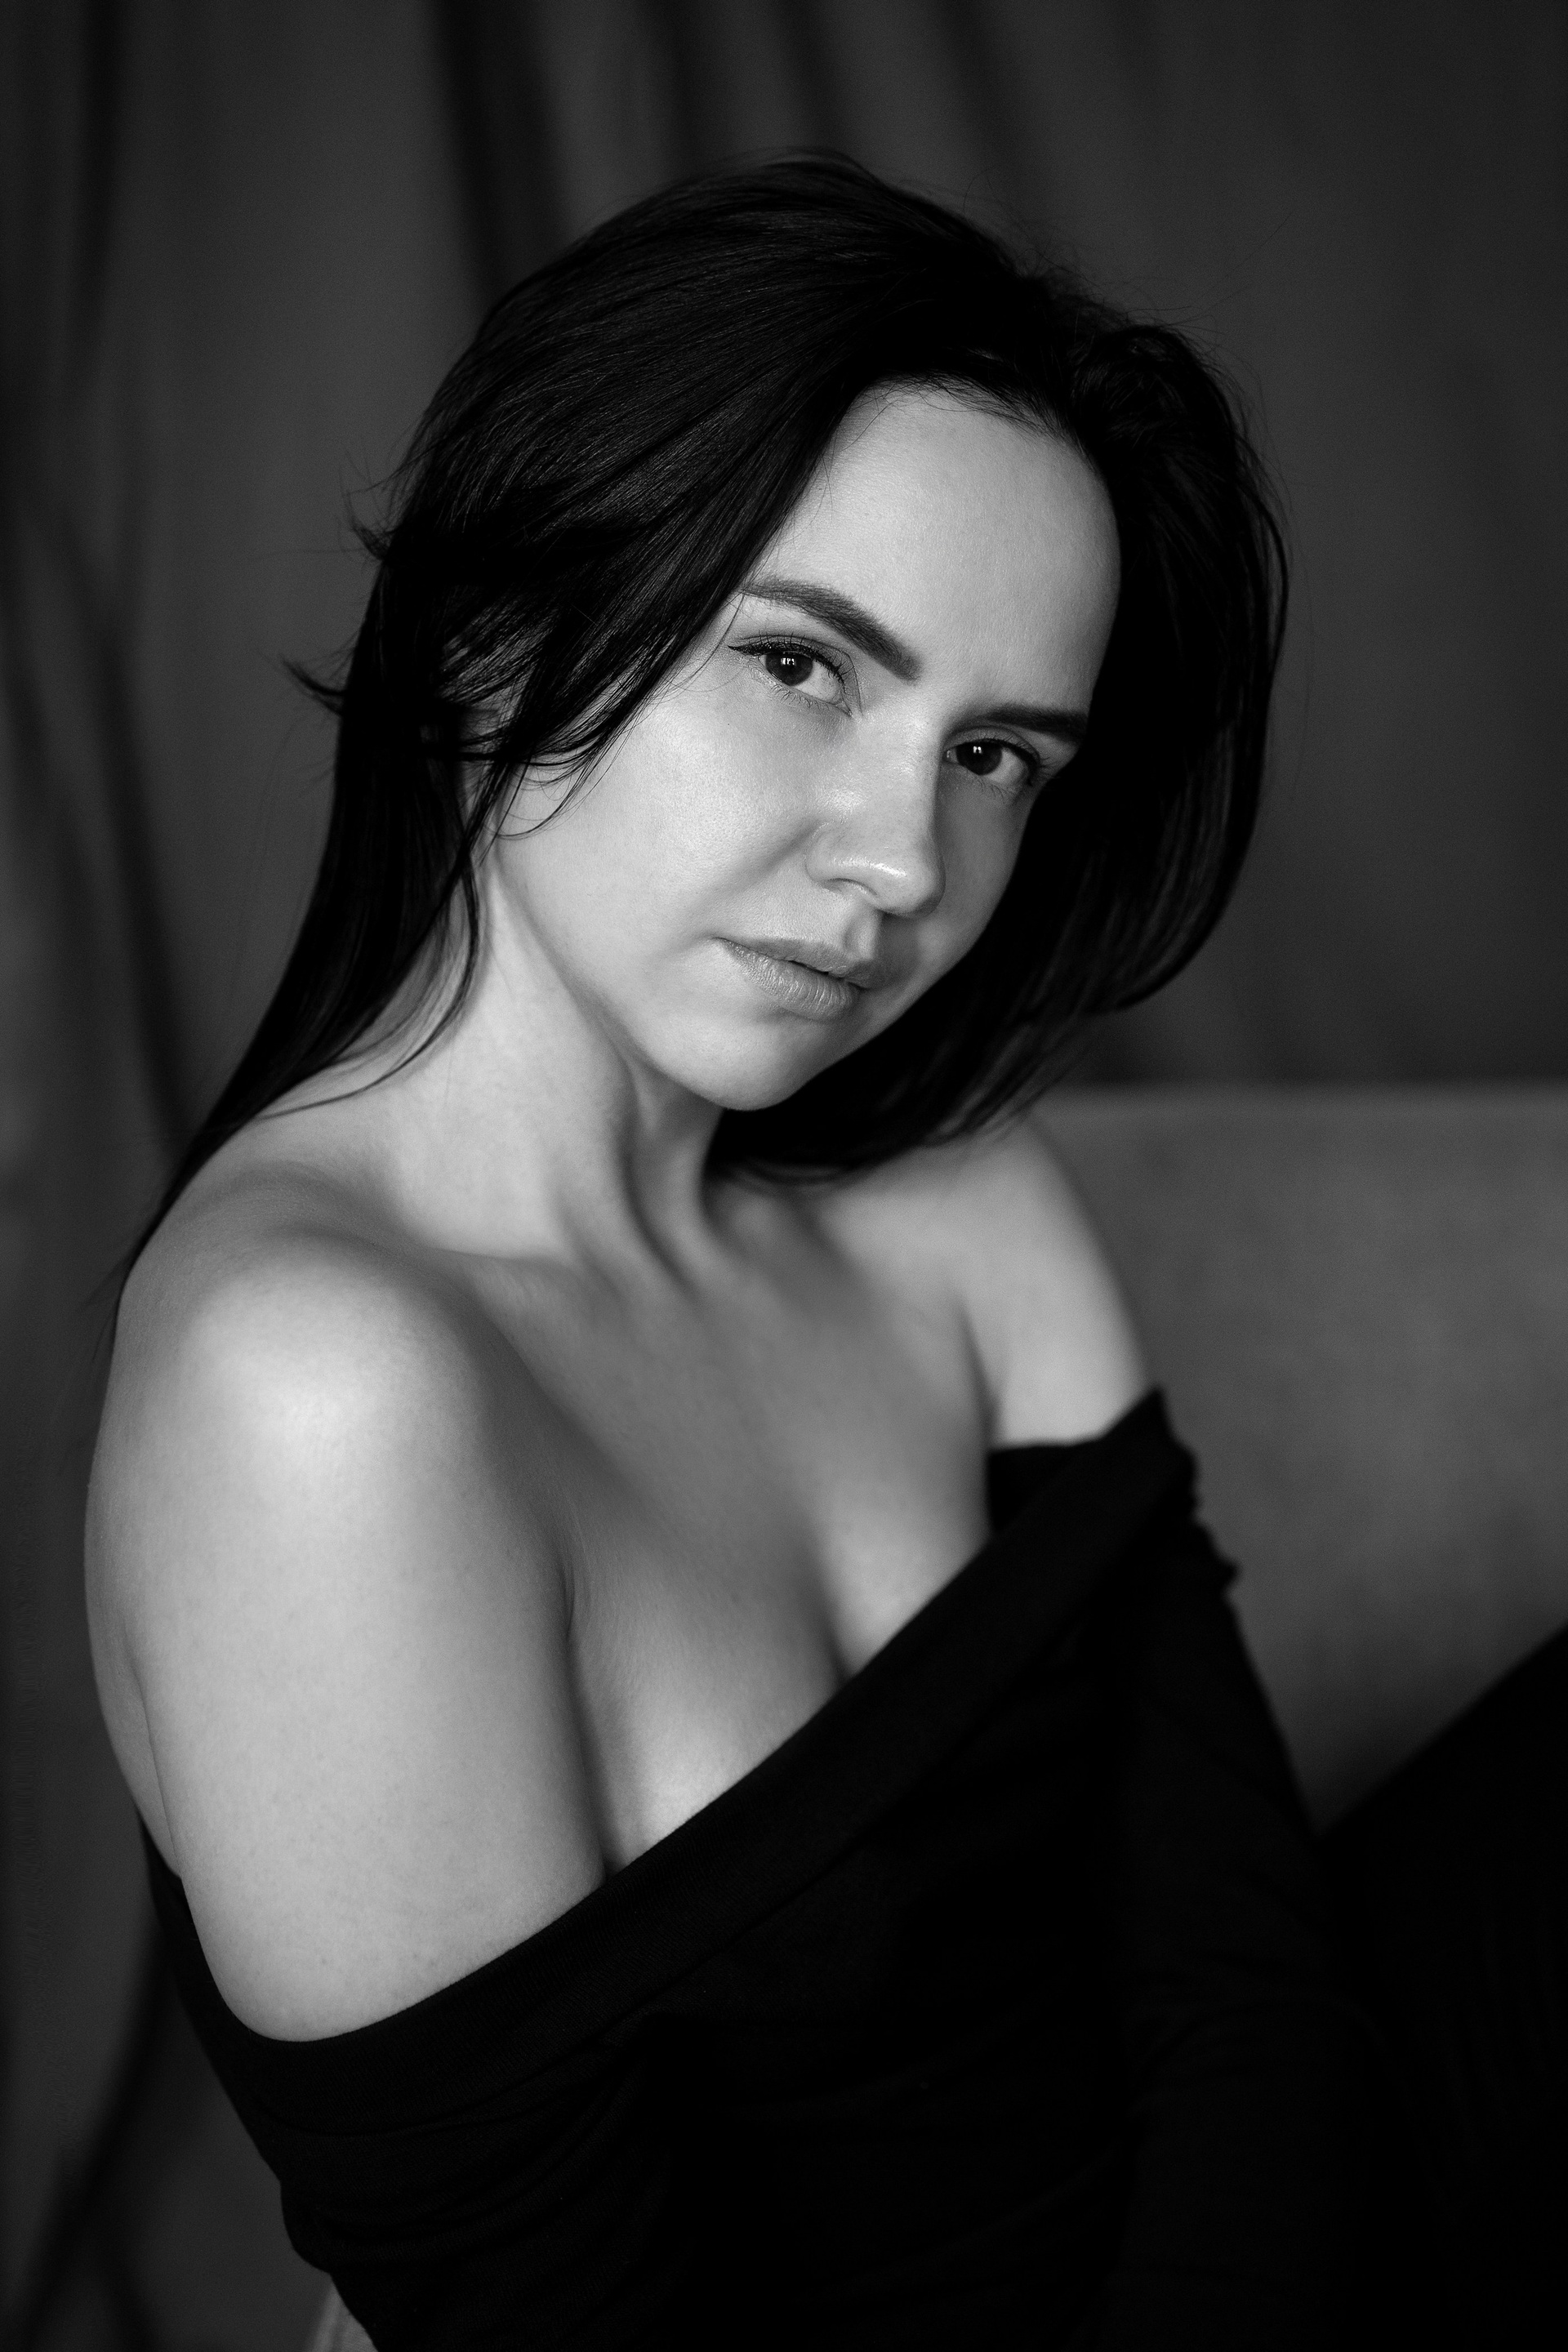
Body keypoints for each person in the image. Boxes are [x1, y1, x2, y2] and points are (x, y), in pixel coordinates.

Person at [83, 158, 1561, 2348]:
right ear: (498, 631)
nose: (907, 861)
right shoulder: (317, 1389)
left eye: (995, 754)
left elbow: (1237, 1982)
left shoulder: (957, 1199)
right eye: (800, 665)